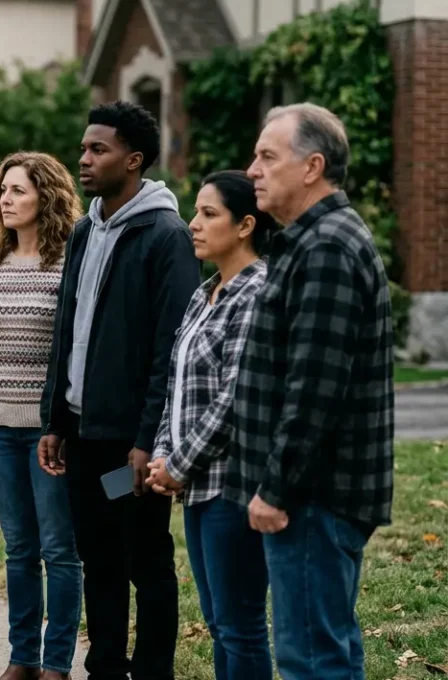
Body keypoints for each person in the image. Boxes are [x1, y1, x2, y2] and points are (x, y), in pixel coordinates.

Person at [38, 101, 201, 680]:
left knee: (146, 559)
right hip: (82, 432)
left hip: (131, 441)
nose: (83, 159)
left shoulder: (165, 234)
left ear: (132, 161)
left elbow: (170, 349)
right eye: (83, 148)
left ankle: (154, 669)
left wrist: (147, 440)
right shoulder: (85, 229)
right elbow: (67, 328)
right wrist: (55, 419)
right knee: (98, 559)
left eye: (97, 150)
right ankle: (104, 664)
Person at [233, 103, 394, 680]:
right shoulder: (310, 240)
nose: (252, 168)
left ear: (312, 167)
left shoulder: (326, 247)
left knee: (310, 661)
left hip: (313, 497)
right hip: (315, 494)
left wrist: (274, 490)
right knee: (326, 651)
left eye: (267, 156)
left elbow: (314, 390)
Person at [144, 170, 275, 680]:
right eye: (195, 212)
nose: (193, 224)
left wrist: (177, 463)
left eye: (208, 213)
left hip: (235, 484)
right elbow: (177, 385)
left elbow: (235, 396)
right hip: (195, 486)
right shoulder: (205, 294)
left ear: (245, 225)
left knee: (239, 626)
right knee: (221, 623)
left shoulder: (257, 292)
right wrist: (162, 455)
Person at [0, 152, 82, 680]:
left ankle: (56, 662)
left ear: (46, 199)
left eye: (17, 191)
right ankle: (22, 658)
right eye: (3, 191)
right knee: (18, 549)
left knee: (59, 549)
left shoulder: (69, 261)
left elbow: (76, 349)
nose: (5, 200)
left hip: (48, 431)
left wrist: (64, 424)